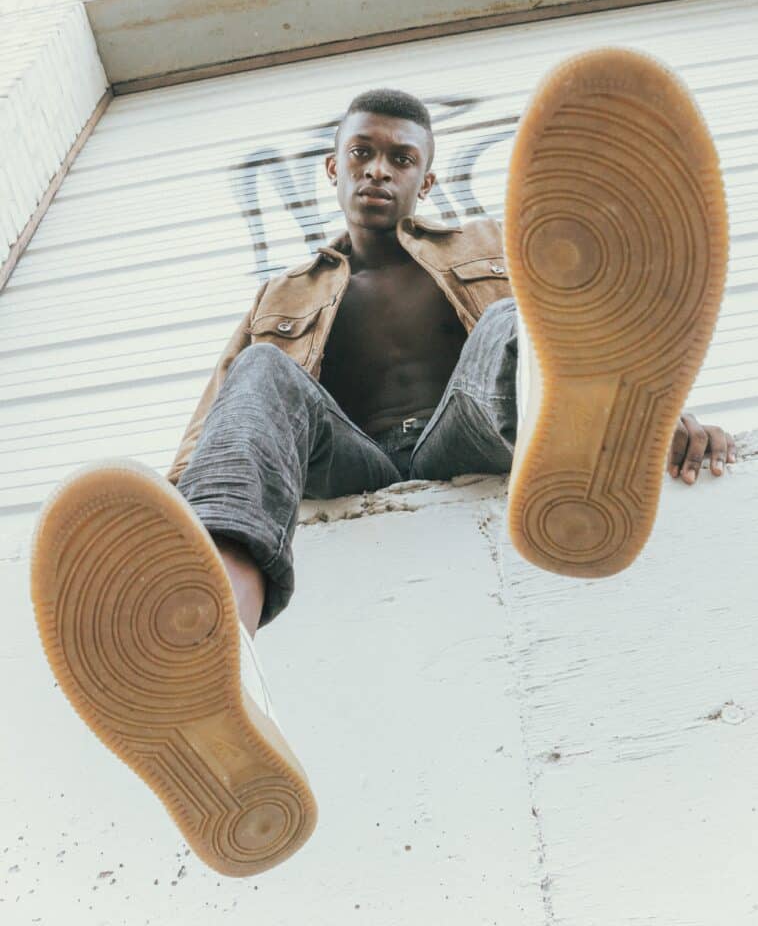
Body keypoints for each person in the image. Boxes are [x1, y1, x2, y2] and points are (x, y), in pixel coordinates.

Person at [31, 47, 735, 878]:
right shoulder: (283, 293)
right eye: (363, 153)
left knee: (517, 318)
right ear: (333, 167)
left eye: (402, 159)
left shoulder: (486, 242)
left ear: (426, 181)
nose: (378, 171)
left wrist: (657, 422)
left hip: (468, 431)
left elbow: (584, 339)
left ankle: (586, 450)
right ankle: (207, 637)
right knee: (263, 369)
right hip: (349, 460)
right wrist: (168, 532)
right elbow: (230, 416)